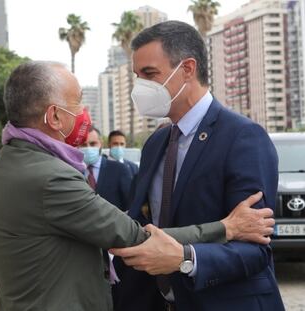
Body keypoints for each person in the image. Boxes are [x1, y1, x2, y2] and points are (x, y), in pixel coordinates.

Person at [0, 61, 276, 311]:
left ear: (188, 69)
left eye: (149, 74)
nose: (84, 112)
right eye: (78, 102)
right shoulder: (49, 176)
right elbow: (133, 236)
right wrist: (227, 227)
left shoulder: (9, 160)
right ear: (55, 116)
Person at [111, 21, 284, 311]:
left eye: (149, 74)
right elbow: (142, 225)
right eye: (137, 76)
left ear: (187, 69)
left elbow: (256, 250)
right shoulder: (156, 142)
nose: (140, 86)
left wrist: (186, 257)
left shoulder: (242, 137)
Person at [80, 127, 133, 211]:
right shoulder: (74, 171)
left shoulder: (119, 169)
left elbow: (130, 204)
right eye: (83, 144)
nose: (88, 148)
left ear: (101, 144)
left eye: (93, 144)